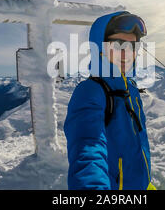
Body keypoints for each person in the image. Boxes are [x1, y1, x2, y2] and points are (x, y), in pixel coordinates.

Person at [64, 11, 156, 190]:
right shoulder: (90, 92)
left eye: (133, 46)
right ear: (100, 48)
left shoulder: (130, 88)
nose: (126, 53)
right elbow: (87, 148)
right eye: (118, 44)